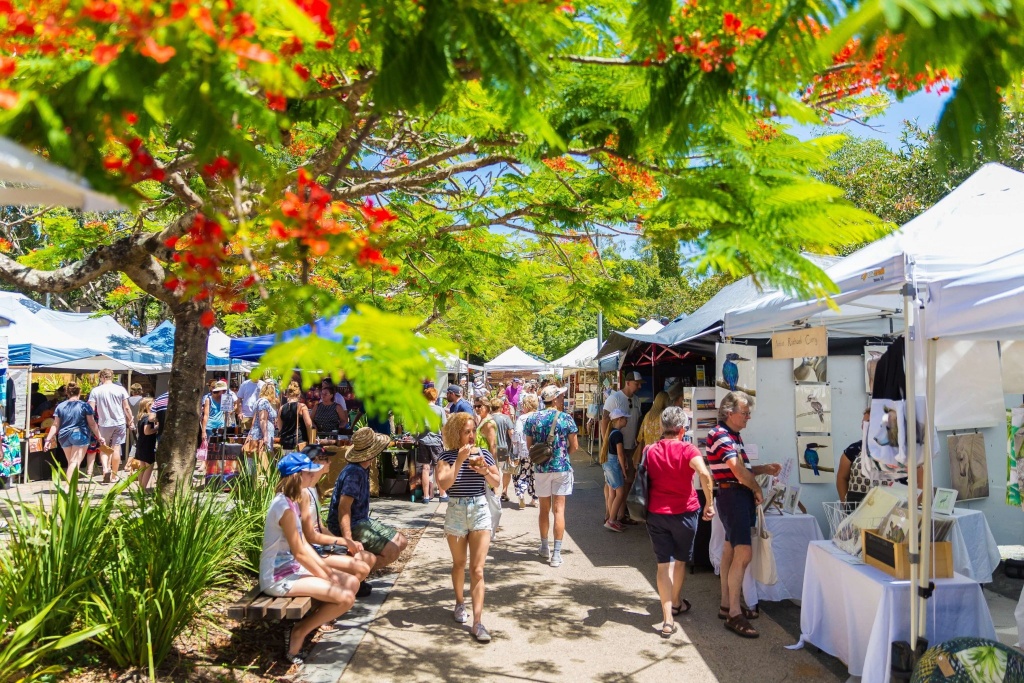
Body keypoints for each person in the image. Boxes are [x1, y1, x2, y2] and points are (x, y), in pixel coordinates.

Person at [260, 451, 359, 666]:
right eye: (309, 473)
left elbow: (304, 544)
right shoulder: (284, 507)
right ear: (298, 475)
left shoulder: (292, 501)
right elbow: (299, 551)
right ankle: (299, 632)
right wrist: (326, 575)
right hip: (278, 577)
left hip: (293, 569)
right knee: (345, 597)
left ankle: (311, 624)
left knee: (351, 582)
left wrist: (326, 571)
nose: (314, 476)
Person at [707, 391, 781, 639]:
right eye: (745, 412)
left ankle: (727, 605)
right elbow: (737, 471)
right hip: (734, 497)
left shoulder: (731, 435)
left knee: (730, 550)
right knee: (744, 552)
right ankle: (734, 613)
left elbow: (741, 469)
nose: (748, 416)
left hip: (735, 496)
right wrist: (757, 487)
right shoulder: (720, 434)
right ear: (730, 413)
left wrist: (763, 469)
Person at [645, 407, 715, 638]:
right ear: (682, 429)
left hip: (657, 512)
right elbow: (704, 474)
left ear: (663, 428)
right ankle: (676, 602)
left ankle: (667, 619)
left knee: (663, 565)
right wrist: (709, 503)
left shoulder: (650, 450)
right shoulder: (688, 449)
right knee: (681, 561)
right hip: (685, 513)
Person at [435, 411, 500, 643]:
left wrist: (484, 471)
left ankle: (478, 622)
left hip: (480, 509)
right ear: (456, 433)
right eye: (467, 432)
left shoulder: (482, 454)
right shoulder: (446, 456)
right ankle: (460, 603)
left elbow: (497, 481)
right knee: (460, 564)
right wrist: (460, 460)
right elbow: (443, 484)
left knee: (478, 570)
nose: (472, 436)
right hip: (456, 511)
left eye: (473, 431)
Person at [296, 445, 375, 597]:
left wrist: (342, 541)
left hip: (320, 546)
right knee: (361, 567)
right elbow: (309, 535)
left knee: (367, 558)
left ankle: (345, 592)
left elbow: (320, 526)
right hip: (313, 550)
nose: (330, 463)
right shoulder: (303, 493)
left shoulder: (313, 489)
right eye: (325, 459)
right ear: (314, 462)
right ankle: (334, 597)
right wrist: (344, 542)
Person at [327, 427, 409, 571]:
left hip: (361, 520)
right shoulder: (354, 473)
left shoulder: (363, 468)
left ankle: (360, 567)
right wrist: (348, 540)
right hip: (352, 524)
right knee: (392, 551)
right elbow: (343, 508)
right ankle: (354, 573)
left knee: (401, 541)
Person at [524, 385, 579, 568]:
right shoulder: (566, 418)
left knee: (543, 509)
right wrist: (562, 455)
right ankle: (556, 554)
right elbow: (575, 446)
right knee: (559, 510)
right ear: (554, 399)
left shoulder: (532, 419)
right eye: (560, 396)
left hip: (541, 468)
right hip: (561, 467)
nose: (562, 398)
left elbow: (530, 446)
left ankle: (544, 546)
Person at [42, 381, 105, 481]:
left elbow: (55, 424)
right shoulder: (84, 406)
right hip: (80, 435)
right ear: (79, 393)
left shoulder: (60, 406)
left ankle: (74, 486)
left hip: (64, 436)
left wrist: (48, 439)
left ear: (67, 393)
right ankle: (68, 487)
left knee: (72, 462)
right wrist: (99, 436)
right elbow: (92, 423)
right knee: (74, 462)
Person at [601, 372, 644, 517]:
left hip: (631, 447)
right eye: (637, 383)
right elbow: (605, 420)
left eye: (640, 384)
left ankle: (620, 514)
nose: (639, 386)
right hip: (615, 449)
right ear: (628, 382)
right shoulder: (614, 399)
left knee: (626, 481)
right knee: (612, 484)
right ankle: (609, 514)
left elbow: (637, 422)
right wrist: (606, 444)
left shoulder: (637, 400)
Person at [89, 368, 135, 484]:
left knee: (104, 447)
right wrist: (131, 419)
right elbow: (126, 407)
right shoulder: (120, 389)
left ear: (101, 377)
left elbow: (90, 409)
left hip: (104, 423)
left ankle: (105, 469)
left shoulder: (96, 390)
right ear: (112, 377)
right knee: (116, 448)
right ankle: (114, 476)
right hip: (119, 422)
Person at [416, 384, 448, 503]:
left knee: (425, 468)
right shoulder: (440, 410)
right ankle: (442, 494)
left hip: (423, 441)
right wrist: (445, 442)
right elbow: (444, 427)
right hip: (436, 442)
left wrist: (416, 438)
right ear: (435, 397)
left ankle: (425, 496)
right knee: (438, 468)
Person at [837, 408, 875, 504]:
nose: (864, 426)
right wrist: (845, 502)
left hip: (890, 510)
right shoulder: (853, 449)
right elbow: (842, 477)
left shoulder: (900, 451)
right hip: (857, 508)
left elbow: (918, 482)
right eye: (864, 422)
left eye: (869, 422)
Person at [602, 408, 630, 532]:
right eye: (625, 418)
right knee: (620, 493)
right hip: (614, 465)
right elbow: (620, 454)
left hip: (608, 464)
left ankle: (610, 517)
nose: (627, 420)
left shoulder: (611, 432)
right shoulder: (618, 434)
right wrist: (624, 469)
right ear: (619, 420)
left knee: (612, 493)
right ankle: (612, 519)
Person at [512, 393, 540, 510]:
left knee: (521, 473)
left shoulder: (522, 418)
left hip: (524, 450)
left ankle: (521, 492)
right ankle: (535, 498)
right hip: (538, 451)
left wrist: (515, 449)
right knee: (535, 474)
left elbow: (517, 434)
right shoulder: (539, 416)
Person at [488, 397, 516, 501]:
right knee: (506, 471)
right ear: (500, 407)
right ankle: (504, 491)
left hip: (491, 449)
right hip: (504, 448)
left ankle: (495, 492)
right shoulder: (506, 418)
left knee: (494, 471)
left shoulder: (488, 418)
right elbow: (511, 433)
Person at [634, 391, 672, 466]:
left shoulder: (648, 415)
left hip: (648, 455)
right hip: (661, 455)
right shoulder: (665, 415)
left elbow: (640, 437)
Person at [247, 382, 279, 469]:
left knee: (260, 458)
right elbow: (262, 419)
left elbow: (255, 419)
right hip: (261, 434)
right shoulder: (264, 402)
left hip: (260, 433)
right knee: (263, 458)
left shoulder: (261, 401)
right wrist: (265, 436)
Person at [278, 382, 315, 451]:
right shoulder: (302, 407)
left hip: (285, 442)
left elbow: (280, 427)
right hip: (298, 442)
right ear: (299, 395)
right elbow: (309, 424)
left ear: (287, 394)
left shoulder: (281, 408)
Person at [133, 397, 159, 490]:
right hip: (147, 445)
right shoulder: (148, 418)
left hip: (141, 444)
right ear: (147, 406)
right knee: (149, 466)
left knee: (142, 466)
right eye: (152, 405)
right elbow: (147, 431)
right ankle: (143, 488)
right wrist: (157, 428)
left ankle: (141, 487)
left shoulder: (141, 417)